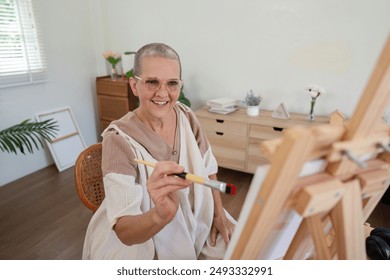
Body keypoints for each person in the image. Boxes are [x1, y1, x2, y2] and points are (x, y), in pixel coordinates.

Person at [82, 43, 235, 260]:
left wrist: (219, 214)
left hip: (195, 214)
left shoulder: (186, 116)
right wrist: (161, 215)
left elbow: (208, 166)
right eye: (152, 82)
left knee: (247, 250)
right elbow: (125, 231)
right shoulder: (118, 139)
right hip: (142, 231)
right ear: (134, 86)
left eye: (172, 83)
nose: (163, 93)